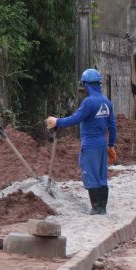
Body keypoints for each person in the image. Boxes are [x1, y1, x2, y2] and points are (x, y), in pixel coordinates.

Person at [45, 69, 117, 215]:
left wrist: (57, 121)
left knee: (90, 174)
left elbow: (75, 118)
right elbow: (113, 126)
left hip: (90, 145)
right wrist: (111, 145)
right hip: (102, 145)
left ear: (86, 85)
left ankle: (96, 208)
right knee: (102, 176)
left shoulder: (88, 102)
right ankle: (102, 207)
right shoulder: (106, 102)